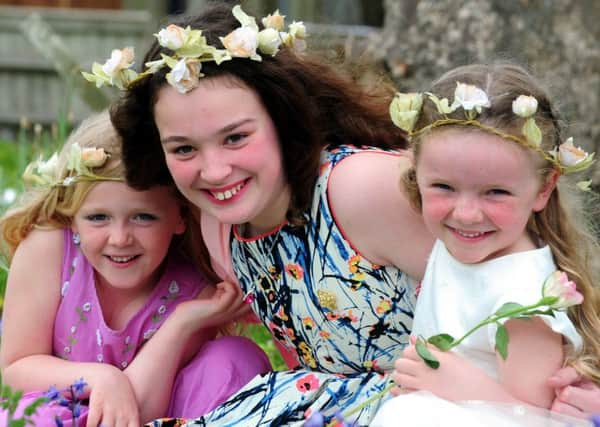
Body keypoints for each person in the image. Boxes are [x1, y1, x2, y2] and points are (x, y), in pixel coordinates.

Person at [84, 2, 600, 424]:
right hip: (321, 406)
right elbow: (79, 210)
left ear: (283, 119)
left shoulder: (361, 190)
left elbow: (540, 283)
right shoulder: (218, 221)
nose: (215, 170)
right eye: (183, 149)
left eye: (236, 138)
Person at [0, 111, 271, 426]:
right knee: (24, 416)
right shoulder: (49, 248)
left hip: (156, 411)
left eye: (143, 217)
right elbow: (14, 371)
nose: (119, 239)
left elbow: (142, 414)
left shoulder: (196, 290)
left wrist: (180, 324)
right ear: (72, 215)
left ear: (180, 217)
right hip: (63, 408)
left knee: (234, 358)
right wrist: (101, 378)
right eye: (98, 217)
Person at [370, 63, 600, 426]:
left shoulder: (522, 299)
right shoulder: (461, 246)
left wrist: (461, 387)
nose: (466, 214)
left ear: (543, 188)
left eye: (496, 192)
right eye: (444, 187)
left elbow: (540, 419)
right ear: (417, 173)